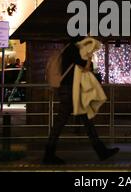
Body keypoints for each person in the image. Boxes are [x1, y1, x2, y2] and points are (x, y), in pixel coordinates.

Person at [43, 36, 119, 165]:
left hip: (69, 90)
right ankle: (48, 155)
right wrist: (89, 56)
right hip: (70, 91)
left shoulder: (67, 48)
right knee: (62, 122)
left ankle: (101, 151)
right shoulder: (74, 49)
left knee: (83, 121)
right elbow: (86, 66)